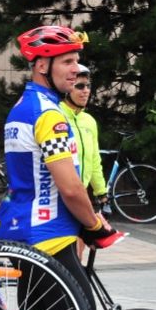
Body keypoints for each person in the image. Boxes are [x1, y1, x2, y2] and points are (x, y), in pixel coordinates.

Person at [0, 24, 123, 310]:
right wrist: (97, 225)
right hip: (50, 239)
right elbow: (69, 187)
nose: (75, 69)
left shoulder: (21, 109)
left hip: (23, 236)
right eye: (66, 62)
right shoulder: (52, 116)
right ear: (40, 66)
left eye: (75, 61)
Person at [59, 64, 108, 258]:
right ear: (68, 88)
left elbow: (94, 159)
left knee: (78, 253)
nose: (86, 91)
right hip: (61, 194)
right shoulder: (57, 115)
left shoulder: (89, 121)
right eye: (80, 86)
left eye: (88, 86)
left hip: (81, 195)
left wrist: (102, 192)